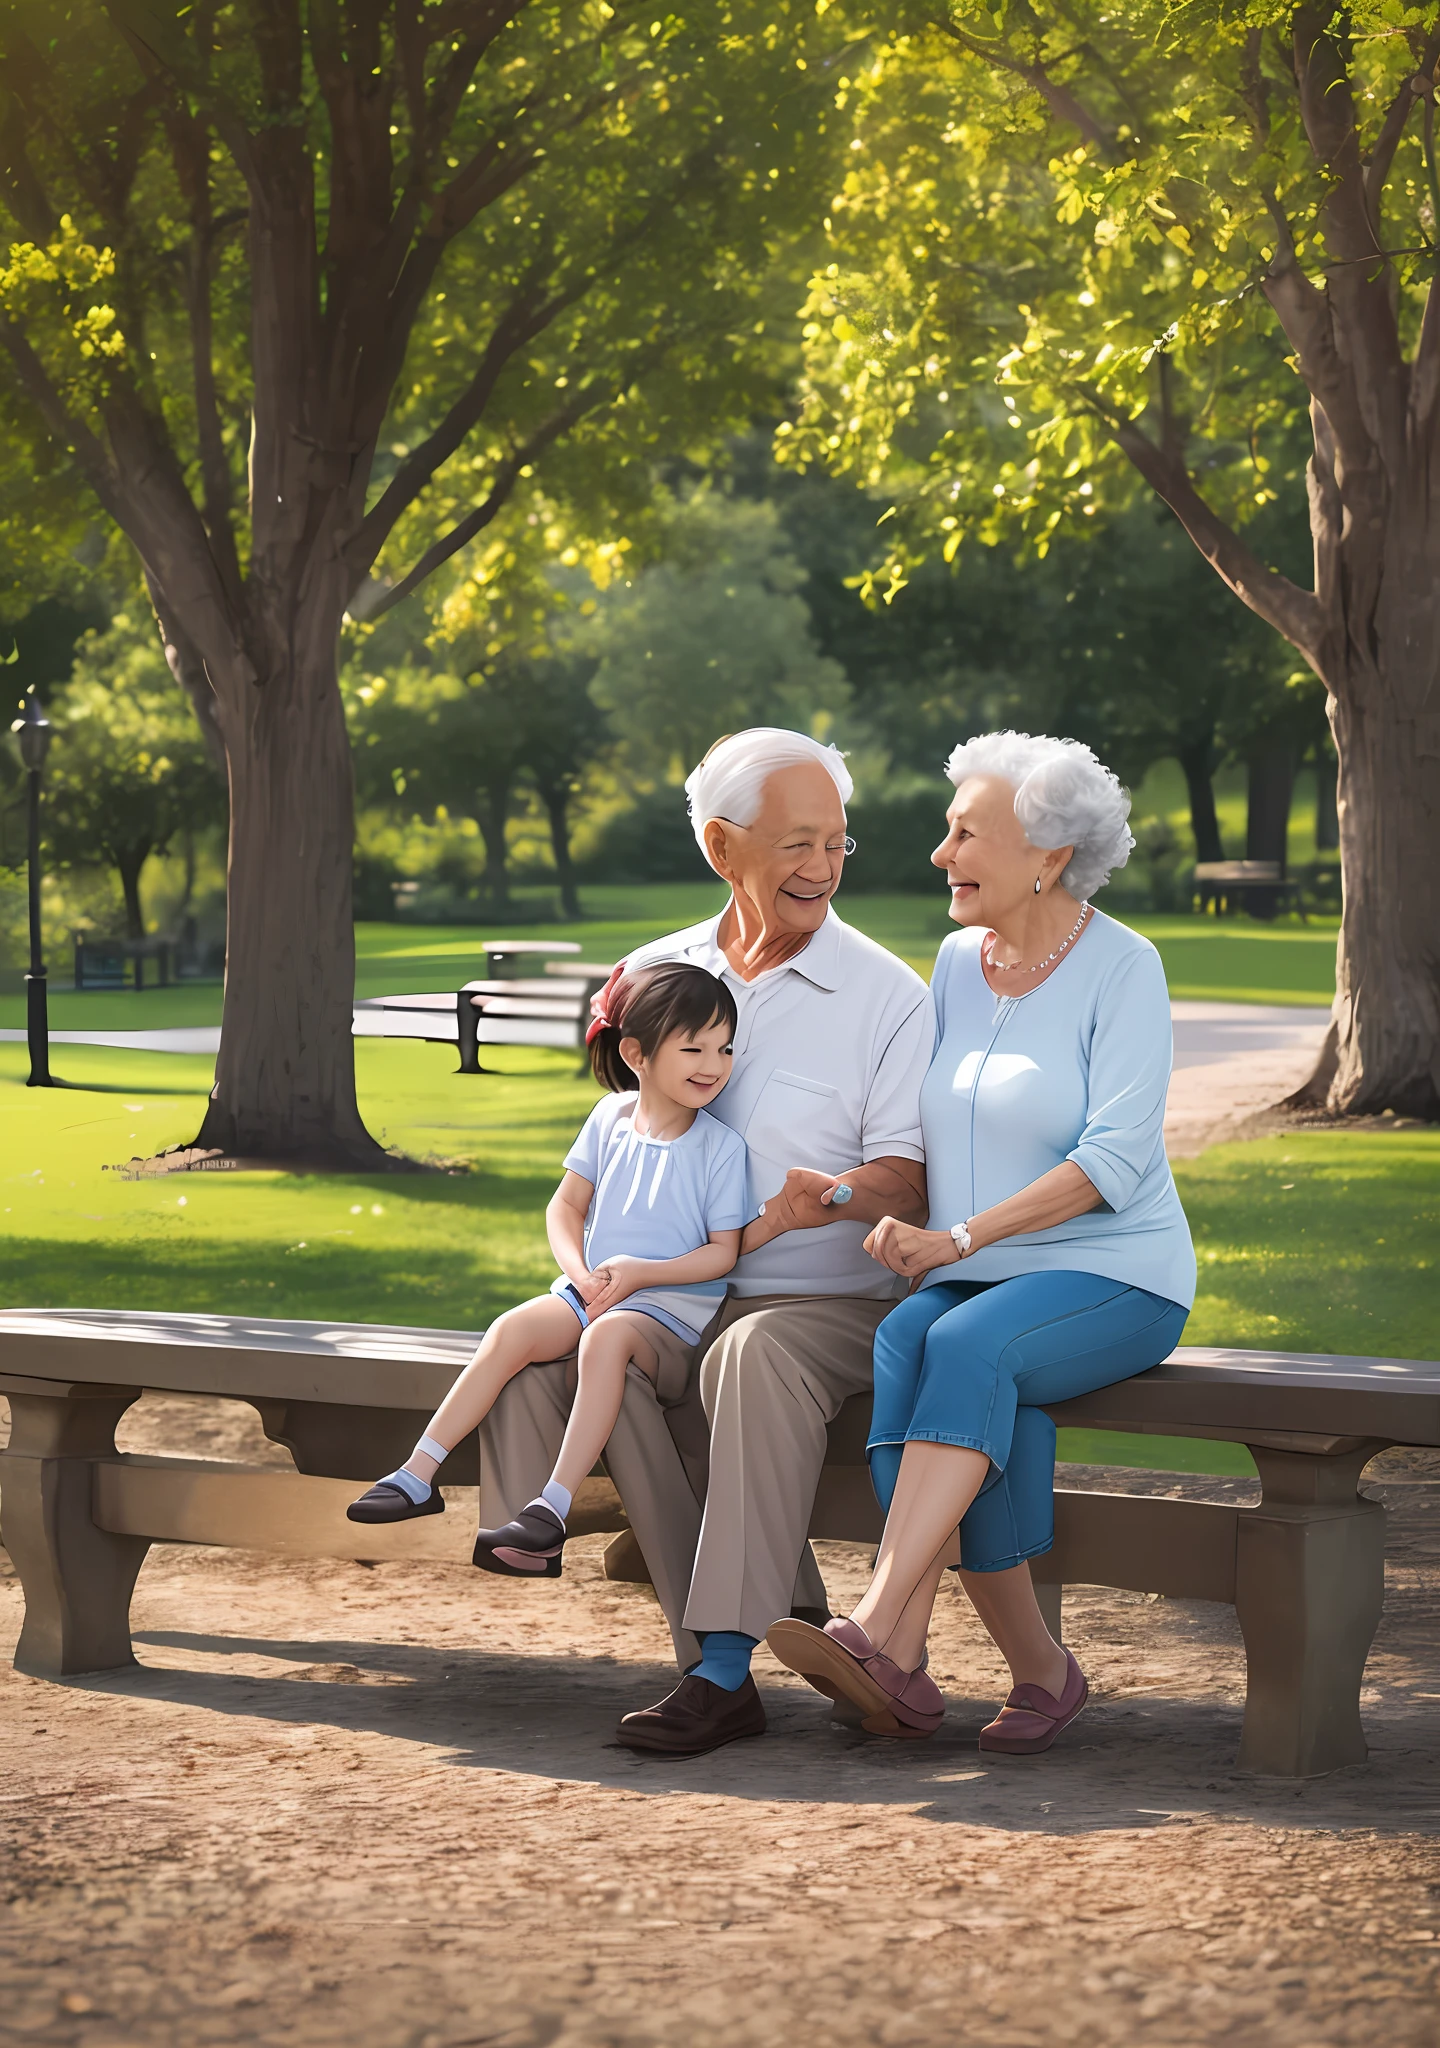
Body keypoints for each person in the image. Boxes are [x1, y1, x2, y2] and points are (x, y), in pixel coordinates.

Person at [478, 727, 935, 1755]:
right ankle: (742, 1638)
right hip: (681, 1288)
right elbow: (612, 1144)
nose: (822, 869)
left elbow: (908, 1176)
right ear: (724, 848)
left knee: (747, 1351)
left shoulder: (888, 996)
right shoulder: (652, 972)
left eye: (839, 844)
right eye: (797, 844)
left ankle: (728, 1660)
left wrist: (833, 1193)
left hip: (825, 1303)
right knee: (595, 1351)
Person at [767, 730, 1195, 1755]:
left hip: (1115, 1273)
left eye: (965, 831)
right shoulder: (961, 962)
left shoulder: (1125, 968)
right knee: (911, 1341)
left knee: (966, 1347)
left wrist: (961, 1234)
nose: (938, 851)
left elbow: (1113, 1160)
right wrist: (845, 1191)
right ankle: (1032, 1669)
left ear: (1047, 854)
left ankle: (880, 1628)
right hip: (986, 1277)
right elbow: (942, 1123)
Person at [346, 962, 749, 1581]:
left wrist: (642, 1274)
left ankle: (550, 1508)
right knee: (511, 1330)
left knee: (603, 1339)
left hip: (668, 1313)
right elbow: (565, 1206)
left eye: (724, 1048)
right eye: (693, 1047)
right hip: (596, 1290)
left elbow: (723, 1252)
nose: (713, 1064)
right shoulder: (609, 1118)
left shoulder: (721, 1148)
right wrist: (581, 1273)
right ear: (636, 1054)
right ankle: (418, 1473)